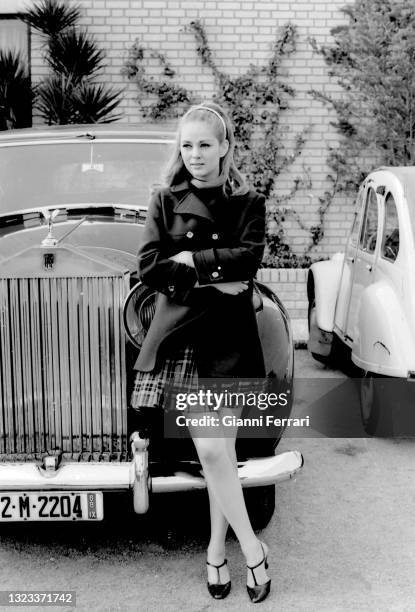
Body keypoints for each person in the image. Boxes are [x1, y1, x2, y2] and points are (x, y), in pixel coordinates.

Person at [130, 102, 271, 603]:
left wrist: (190, 258)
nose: (194, 154)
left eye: (205, 145)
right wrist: (215, 276)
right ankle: (252, 550)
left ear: (225, 147)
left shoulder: (247, 200)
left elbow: (250, 258)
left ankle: (215, 551)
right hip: (183, 341)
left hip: (228, 341)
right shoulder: (164, 199)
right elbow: (148, 265)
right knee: (215, 452)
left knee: (218, 454)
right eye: (186, 145)